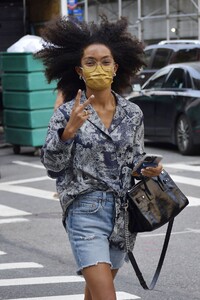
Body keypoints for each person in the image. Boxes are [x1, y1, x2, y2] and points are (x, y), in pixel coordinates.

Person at [36, 16, 163, 300]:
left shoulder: (132, 114)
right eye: (91, 62)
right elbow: (52, 167)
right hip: (85, 212)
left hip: (123, 216)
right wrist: (67, 133)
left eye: (105, 62)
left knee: (95, 295)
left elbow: (133, 165)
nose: (99, 68)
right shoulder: (66, 113)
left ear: (116, 68)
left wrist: (147, 170)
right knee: (107, 296)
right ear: (79, 70)